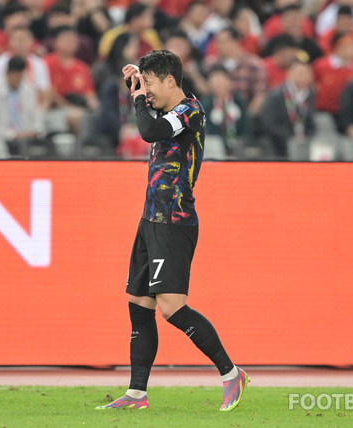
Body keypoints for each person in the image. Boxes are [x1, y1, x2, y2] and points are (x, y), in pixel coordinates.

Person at [96, 50, 248, 411]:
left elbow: (149, 131)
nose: (145, 91)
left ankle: (231, 374)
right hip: (150, 219)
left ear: (169, 82)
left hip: (174, 222)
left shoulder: (189, 111)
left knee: (172, 307)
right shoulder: (165, 109)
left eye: (150, 83)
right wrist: (137, 85)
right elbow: (150, 119)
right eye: (143, 84)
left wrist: (137, 98)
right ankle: (137, 393)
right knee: (139, 304)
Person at [0, 55, 45, 156]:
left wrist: (36, 131)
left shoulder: (29, 91)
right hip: (0, 140)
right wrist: (14, 135)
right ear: (8, 73)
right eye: (16, 75)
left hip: (26, 140)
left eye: (21, 75)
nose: (19, 79)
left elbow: (37, 117)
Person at [260, 58, 316, 157]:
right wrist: (290, 138)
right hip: (279, 146)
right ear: (289, 74)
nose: (303, 76)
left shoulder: (310, 94)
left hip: (304, 143)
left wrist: (308, 137)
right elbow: (269, 124)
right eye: (300, 73)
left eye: (306, 73)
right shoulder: (276, 96)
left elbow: (311, 121)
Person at [201, 64, 251, 156]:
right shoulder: (204, 105)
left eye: (222, 80)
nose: (219, 85)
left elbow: (246, 126)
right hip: (215, 151)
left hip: (239, 148)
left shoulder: (239, 102)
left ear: (230, 82)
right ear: (209, 84)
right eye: (215, 81)